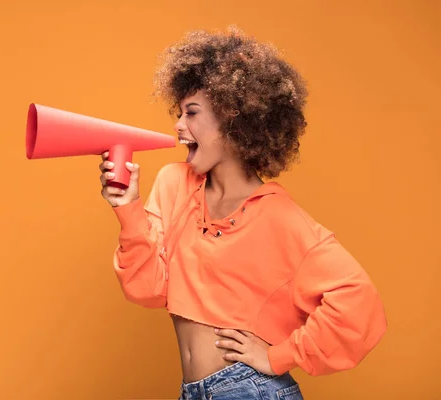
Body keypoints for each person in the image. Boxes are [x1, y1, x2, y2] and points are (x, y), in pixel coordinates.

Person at [98, 26, 387, 400]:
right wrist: (127, 209)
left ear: (234, 120)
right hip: (193, 392)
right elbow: (147, 290)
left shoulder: (280, 218)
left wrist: (280, 355)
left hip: (251, 390)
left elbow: (359, 306)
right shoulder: (174, 183)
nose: (178, 125)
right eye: (179, 111)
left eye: (192, 112)